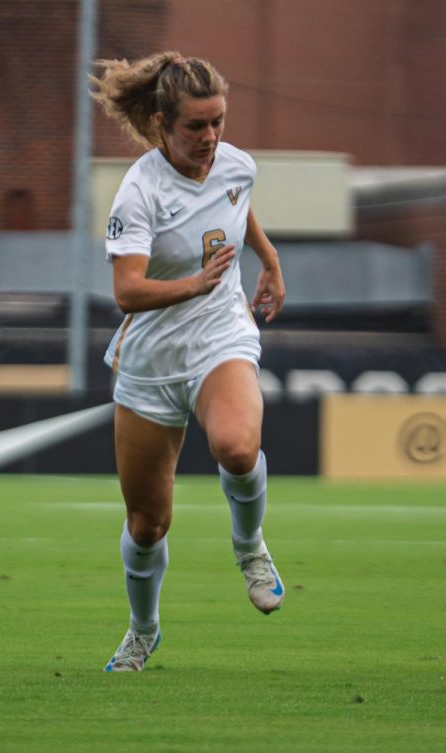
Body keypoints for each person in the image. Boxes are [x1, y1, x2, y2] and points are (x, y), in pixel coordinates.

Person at [89, 51, 288, 672]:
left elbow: (236, 204)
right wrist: (194, 284)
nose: (210, 138)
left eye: (218, 123)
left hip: (219, 338)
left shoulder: (235, 165)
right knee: (147, 524)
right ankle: (143, 630)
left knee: (235, 445)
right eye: (195, 127)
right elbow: (127, 291)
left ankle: (251, 547)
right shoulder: (139, 191)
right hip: (149, 360)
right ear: (160, 124)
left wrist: (270, 261)